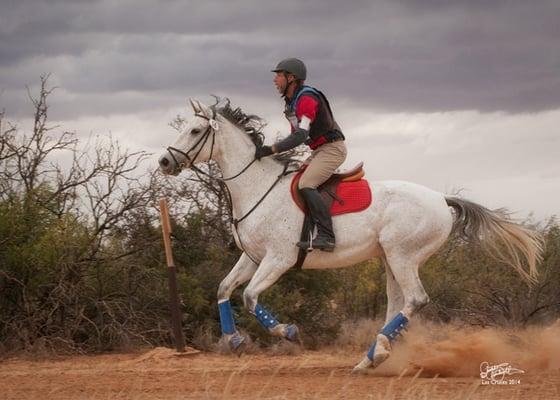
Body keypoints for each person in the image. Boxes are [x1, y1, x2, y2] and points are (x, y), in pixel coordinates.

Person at [255, 58, 347, 252]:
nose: (275, 80)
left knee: (306, 184)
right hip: (319, 151)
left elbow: (300, 136)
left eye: (279, 75)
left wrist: (271, 150)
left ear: (292, 78)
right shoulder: (292, 103)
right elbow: (298, 135)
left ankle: (327, 237)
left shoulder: (306, 99)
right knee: (292, 180)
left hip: (332, 150)